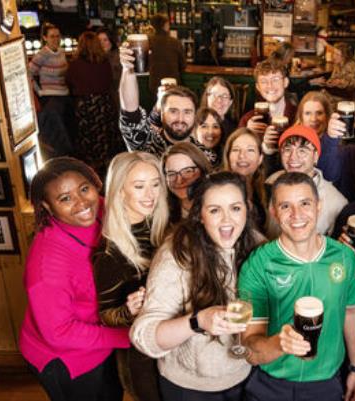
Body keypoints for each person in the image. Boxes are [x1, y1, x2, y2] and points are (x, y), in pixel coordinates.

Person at [130, 172, 263, 401]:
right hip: (189, 387)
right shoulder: (176, 255)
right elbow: (143, 335)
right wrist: (198, 321)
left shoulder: (258, 245)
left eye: (235, 208)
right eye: (214, 210)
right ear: (200, 215)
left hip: (243, 375)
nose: (227, 219)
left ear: (247, 209)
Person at [239, 172, 355, 401]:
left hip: (326, 383)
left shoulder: (345, 257)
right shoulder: (258, 264)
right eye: (285, 206)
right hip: (270, 385)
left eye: (305, 204)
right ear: (274, 212)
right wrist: (279, 344)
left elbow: (352, 310)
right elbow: (249, 348)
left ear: (319, 207)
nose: (297, 215)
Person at [20, 157, 129, 401]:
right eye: (65, 198)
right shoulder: (47, 267)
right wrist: (126, 335)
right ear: (47, 206)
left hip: (102, 340)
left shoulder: (100, 208)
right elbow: (59, 332)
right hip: (68, 360)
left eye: (84, 189)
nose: (81, 203)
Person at [92, 152, 169, 401]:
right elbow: (105, 316)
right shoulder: (110, 253)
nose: (150, 194)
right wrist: (128, 311)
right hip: (140, 358)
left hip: (170, 343)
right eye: (139, 186)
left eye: (155, 184)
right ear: (120, 191)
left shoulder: (161, 228)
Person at [265, 125, 347, 236]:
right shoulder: (270, 183)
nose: (293, 157)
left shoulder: (337, 202)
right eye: (287, 150)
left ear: (316, 156)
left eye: (302, 151)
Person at [119, 44, 198, 157]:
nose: (180, 119)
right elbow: (130, 114)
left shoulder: (205, 154)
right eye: (173, 111)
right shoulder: (147, 146)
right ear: (161, 114)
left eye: (187, 112)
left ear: (195, 116)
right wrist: (128, 69)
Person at [66, 31, 124, 179]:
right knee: (106, 139)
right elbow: (110, 81)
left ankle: (92, 175)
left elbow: (70, 83)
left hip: (85, 106)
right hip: (104, 104)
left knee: (89, 143)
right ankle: (110, 173)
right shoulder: (104, 63)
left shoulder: (75, 64)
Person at [29, 22, 74, 157]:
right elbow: (28, 73)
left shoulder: (61, 52)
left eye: (58, 36)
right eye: (52, 36)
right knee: (59, 130)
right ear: (45, 38)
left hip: (64, 94)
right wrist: (39, 91)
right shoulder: (42, 55)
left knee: (70, 126)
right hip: (50, 96)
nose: (56, 39)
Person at [238, 59, 297, 154]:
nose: (270, 85)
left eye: (275, 79)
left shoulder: (298, 115)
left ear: (285, 82)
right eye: (264, 81)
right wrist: (247, 134)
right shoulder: (247, 120)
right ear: (258, 87)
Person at [222, 128, 267, 231]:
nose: (242, 156)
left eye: (250, 150)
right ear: (228, 156)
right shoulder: (215, 189)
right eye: (236, 150)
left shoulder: (268, 192)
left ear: (260, 159)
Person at [162, 142, 212, 224]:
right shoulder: (162, 214)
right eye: (171, 174)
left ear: (203, 170)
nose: (179, 180)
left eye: (188, 171)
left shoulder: (217, 205)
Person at [148, 14, 186, 98]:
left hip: (155, 84)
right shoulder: (175, 42)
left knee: (158, 108)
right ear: (165, 25)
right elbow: (183, 66)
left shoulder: (148, 42)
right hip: (173, 84)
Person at [96, 28, 121, 97]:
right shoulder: (96, 57)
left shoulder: (118, 56)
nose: (102, 43)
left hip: (116, 94)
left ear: (111, 41)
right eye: (99, 40)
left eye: (105, 40)